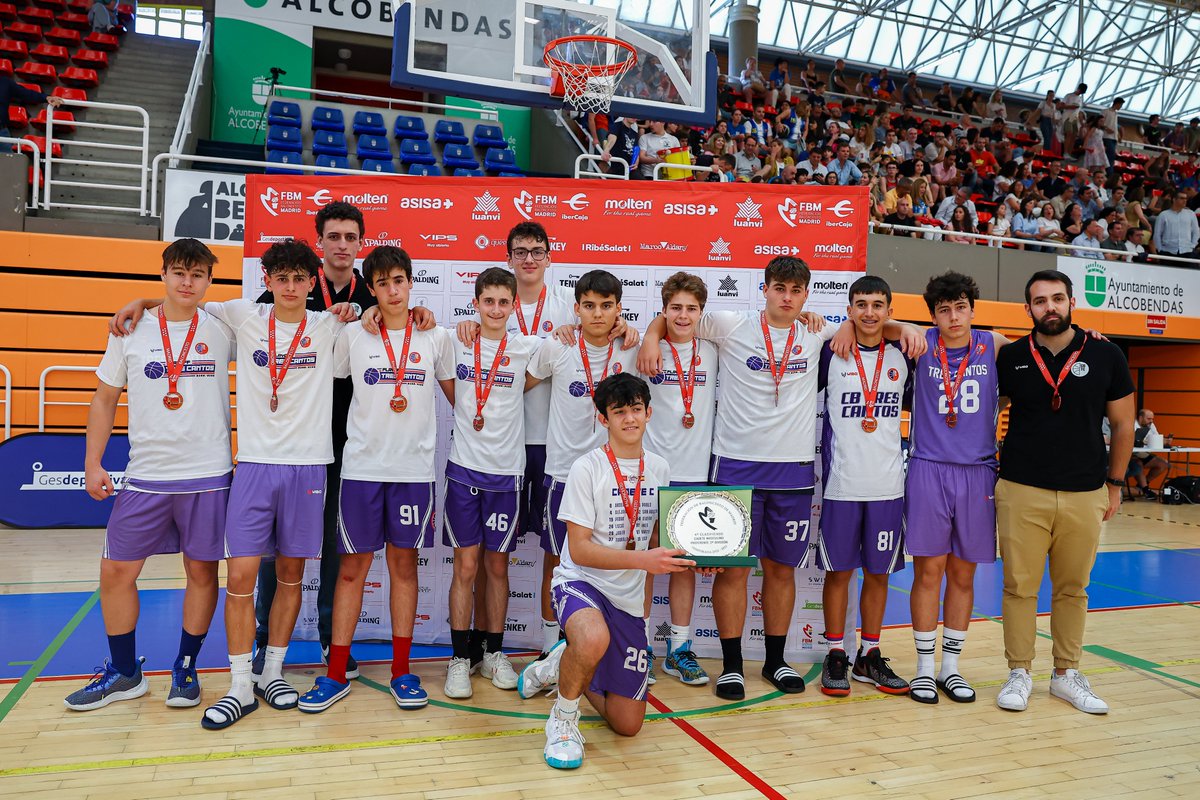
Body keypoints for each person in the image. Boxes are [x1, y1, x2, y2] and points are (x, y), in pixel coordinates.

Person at [637, 258, 901, 701]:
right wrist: (649, 335)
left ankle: (775, 661)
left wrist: (889, 327)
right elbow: (676, 318)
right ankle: (732, 666)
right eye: (779, 288)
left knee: (781, 571)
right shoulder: (729, 325)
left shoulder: (818, 331)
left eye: (796, 291)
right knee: (734, 571)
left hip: (792, 472)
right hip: (735, 468)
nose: (787, 297)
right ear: (765, 289)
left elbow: (871, 325)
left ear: (807, 294)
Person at [65, 240, 232, 712]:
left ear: (209, 280)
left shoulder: (224, 326)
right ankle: (125, 672)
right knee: (116, 571)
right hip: (145, 477)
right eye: (178, 272)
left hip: (208, 475)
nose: (187, 282)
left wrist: (144, 298)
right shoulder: (130, 330)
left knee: (201, 572)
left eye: (197, 274)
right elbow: (104, 399)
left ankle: (186, 665)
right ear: (163, 275)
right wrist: (93, 463)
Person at [517, 373, 682, 770]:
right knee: (592, 636)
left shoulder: (659, 468)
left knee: (627, 725)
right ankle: (563, 720)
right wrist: (644, 560)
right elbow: (579, 549)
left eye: (636, 409)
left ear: (649, 413)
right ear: (603, 418)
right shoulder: (586, 468)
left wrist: (700, 555)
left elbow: (658, 540)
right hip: (580, 583)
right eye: (619, 412)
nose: (630, 418)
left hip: (627, 599)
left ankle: (563, 662)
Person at [995, 270, 1134, 715]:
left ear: (1072, 302)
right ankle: (1019, 672)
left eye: (1057, 298)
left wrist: (1115, 485)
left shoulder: (1107, 354)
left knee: (1073, 588)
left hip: (1085, 491)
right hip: (1021, 489)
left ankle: (1065, 674)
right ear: (1028, 309)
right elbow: (985, 410)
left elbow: (1123, 424)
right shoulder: (1011, 356)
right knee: (1019, 587)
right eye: (1040, 301)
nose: (1049, 307)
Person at [902, 272, 1007, 704]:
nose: (953, 317)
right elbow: (875, 326)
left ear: (972, 309)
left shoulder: (994, 344)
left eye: (960, 307)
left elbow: (1045, 348)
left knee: (963, 575)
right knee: (928, 572)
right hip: (928, 468)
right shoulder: (920, 343)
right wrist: (896, 326)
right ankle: (924, 669)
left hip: (978, 471)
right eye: (944, 310)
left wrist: (1088, 336)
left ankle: (951, 667)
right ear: (933, 316)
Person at [438, 268, 541, 698]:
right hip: (464, 471)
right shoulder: (454, 341)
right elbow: (453, 392)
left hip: (506, 475)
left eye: (503, 302)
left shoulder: (528, 347)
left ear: (514, 305)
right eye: (488, 301)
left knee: (497, 567)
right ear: (476, 303)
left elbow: (571, 346)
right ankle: (460, 658)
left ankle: (495, 653)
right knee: (465, 568)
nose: (496, 309)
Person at [526, 270, 639, 661]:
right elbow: (517, 385)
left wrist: (641, 331)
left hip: (614, 478)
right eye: (589, 306)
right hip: (563, 473)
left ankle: (613, 644)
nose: (598, 314)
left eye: (607, 306)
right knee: (557, 560)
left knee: (613, 562)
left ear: (619, 309)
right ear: (576, 308)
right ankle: (550, 646)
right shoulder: (558, 346)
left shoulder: (630, 346)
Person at [816, 276, 913, 698]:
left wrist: (904, 328)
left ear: (890, 310)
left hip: (888, 486)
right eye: (861, 305)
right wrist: (841, 329)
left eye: (877, 305)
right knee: (838, 573)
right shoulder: (831, 351)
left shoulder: (905, 353)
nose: (869, 312)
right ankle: (836, 653)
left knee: (878, 574)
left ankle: (869, 655)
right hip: (841, 486)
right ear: (849, 310)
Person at [639, 273, 719, 687]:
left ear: (701, 312)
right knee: (645, 563)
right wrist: (651, 336)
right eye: (675, 308)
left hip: (696, 474)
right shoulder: (644, 350)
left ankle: (679, 649)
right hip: (651, 473)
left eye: (691, 309)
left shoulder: (714, 349)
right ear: (664, 309)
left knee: (684, 566)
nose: (683, 316)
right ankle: (639, 646)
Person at [1129, 409, 1170, 499]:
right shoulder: (1131, 424)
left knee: (1163, 464)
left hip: (1144, 453)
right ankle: (1146, 490)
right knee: (1137, 463)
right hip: (1131, 454)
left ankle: (1142, 485)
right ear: (1140, 418)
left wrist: (1165, 441)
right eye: (1148, 419)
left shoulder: (1151, 425)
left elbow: (1156, 438)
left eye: (1152, 419)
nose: (1151, 421)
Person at [1152, 191, 1200, 257]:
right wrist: (1160, 249)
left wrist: (1193, 245)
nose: (1185, 200)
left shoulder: (1191, 214)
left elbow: (1196, 231)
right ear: (1174, 199)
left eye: (1186, 198)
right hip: (1167, 251)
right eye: (1182, 198)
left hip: (1187, 250)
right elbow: (1157, 234)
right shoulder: (1163, 215)